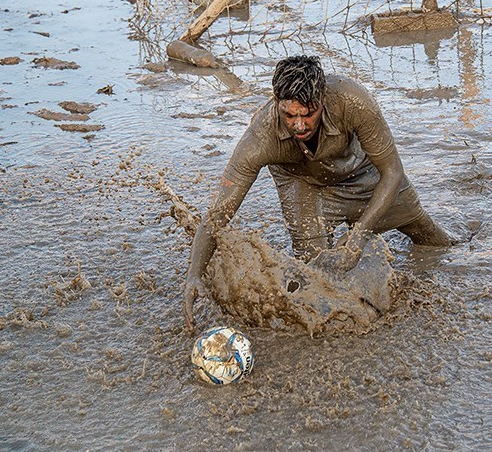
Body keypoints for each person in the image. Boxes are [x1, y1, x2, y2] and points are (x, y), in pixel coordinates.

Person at [183, 55, 453, 329]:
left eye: (307, 114)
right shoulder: (259, 139)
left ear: (323, 100)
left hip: (361, 171)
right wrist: (194, 274)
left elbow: (393, 171)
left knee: (431, 238)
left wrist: (358, 238)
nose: (299, 125)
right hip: (303, 183)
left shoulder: (352, 100)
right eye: (289, 115)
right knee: (316, 277)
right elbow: (218, 214)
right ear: (276, 103)